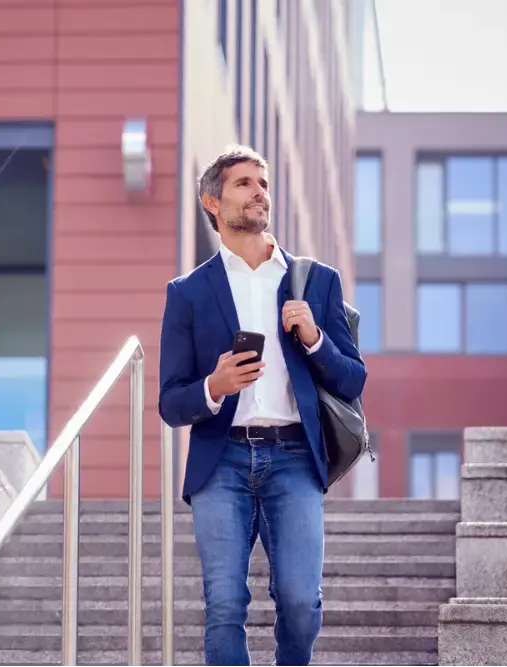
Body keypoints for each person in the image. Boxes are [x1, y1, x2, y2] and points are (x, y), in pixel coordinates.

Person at [158, 146, 366, 667]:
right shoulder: (187, 292)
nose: (259, 193)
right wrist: (215, 384)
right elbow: (170, 401)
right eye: (244, 183)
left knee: (300, 603)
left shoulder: (316, 280)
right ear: (213, 201)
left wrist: (315, 337)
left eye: (263, 183)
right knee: (224, 605)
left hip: (295, 458)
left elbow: (354, 378)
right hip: (220, 462)